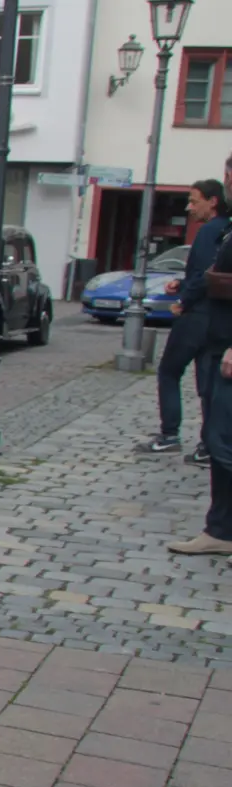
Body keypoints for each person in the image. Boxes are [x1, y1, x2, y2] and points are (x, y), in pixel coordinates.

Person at [138, 179, 230, 463]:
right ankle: (207, 444)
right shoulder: (226, 229)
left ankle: (169, 436)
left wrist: (184, 300)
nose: (190, 208)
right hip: (215, 317)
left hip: (197, 316)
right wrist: (182, 282)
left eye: (194, 201)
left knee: (169, 371)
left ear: (212, 201)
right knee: (207, 383)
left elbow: (205, 273)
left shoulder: (209, 232)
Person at [169, 154, 232, 555]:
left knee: (221, 438)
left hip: (225, 348)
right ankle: (220, 529)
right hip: (217, 340)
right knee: (217, 436)